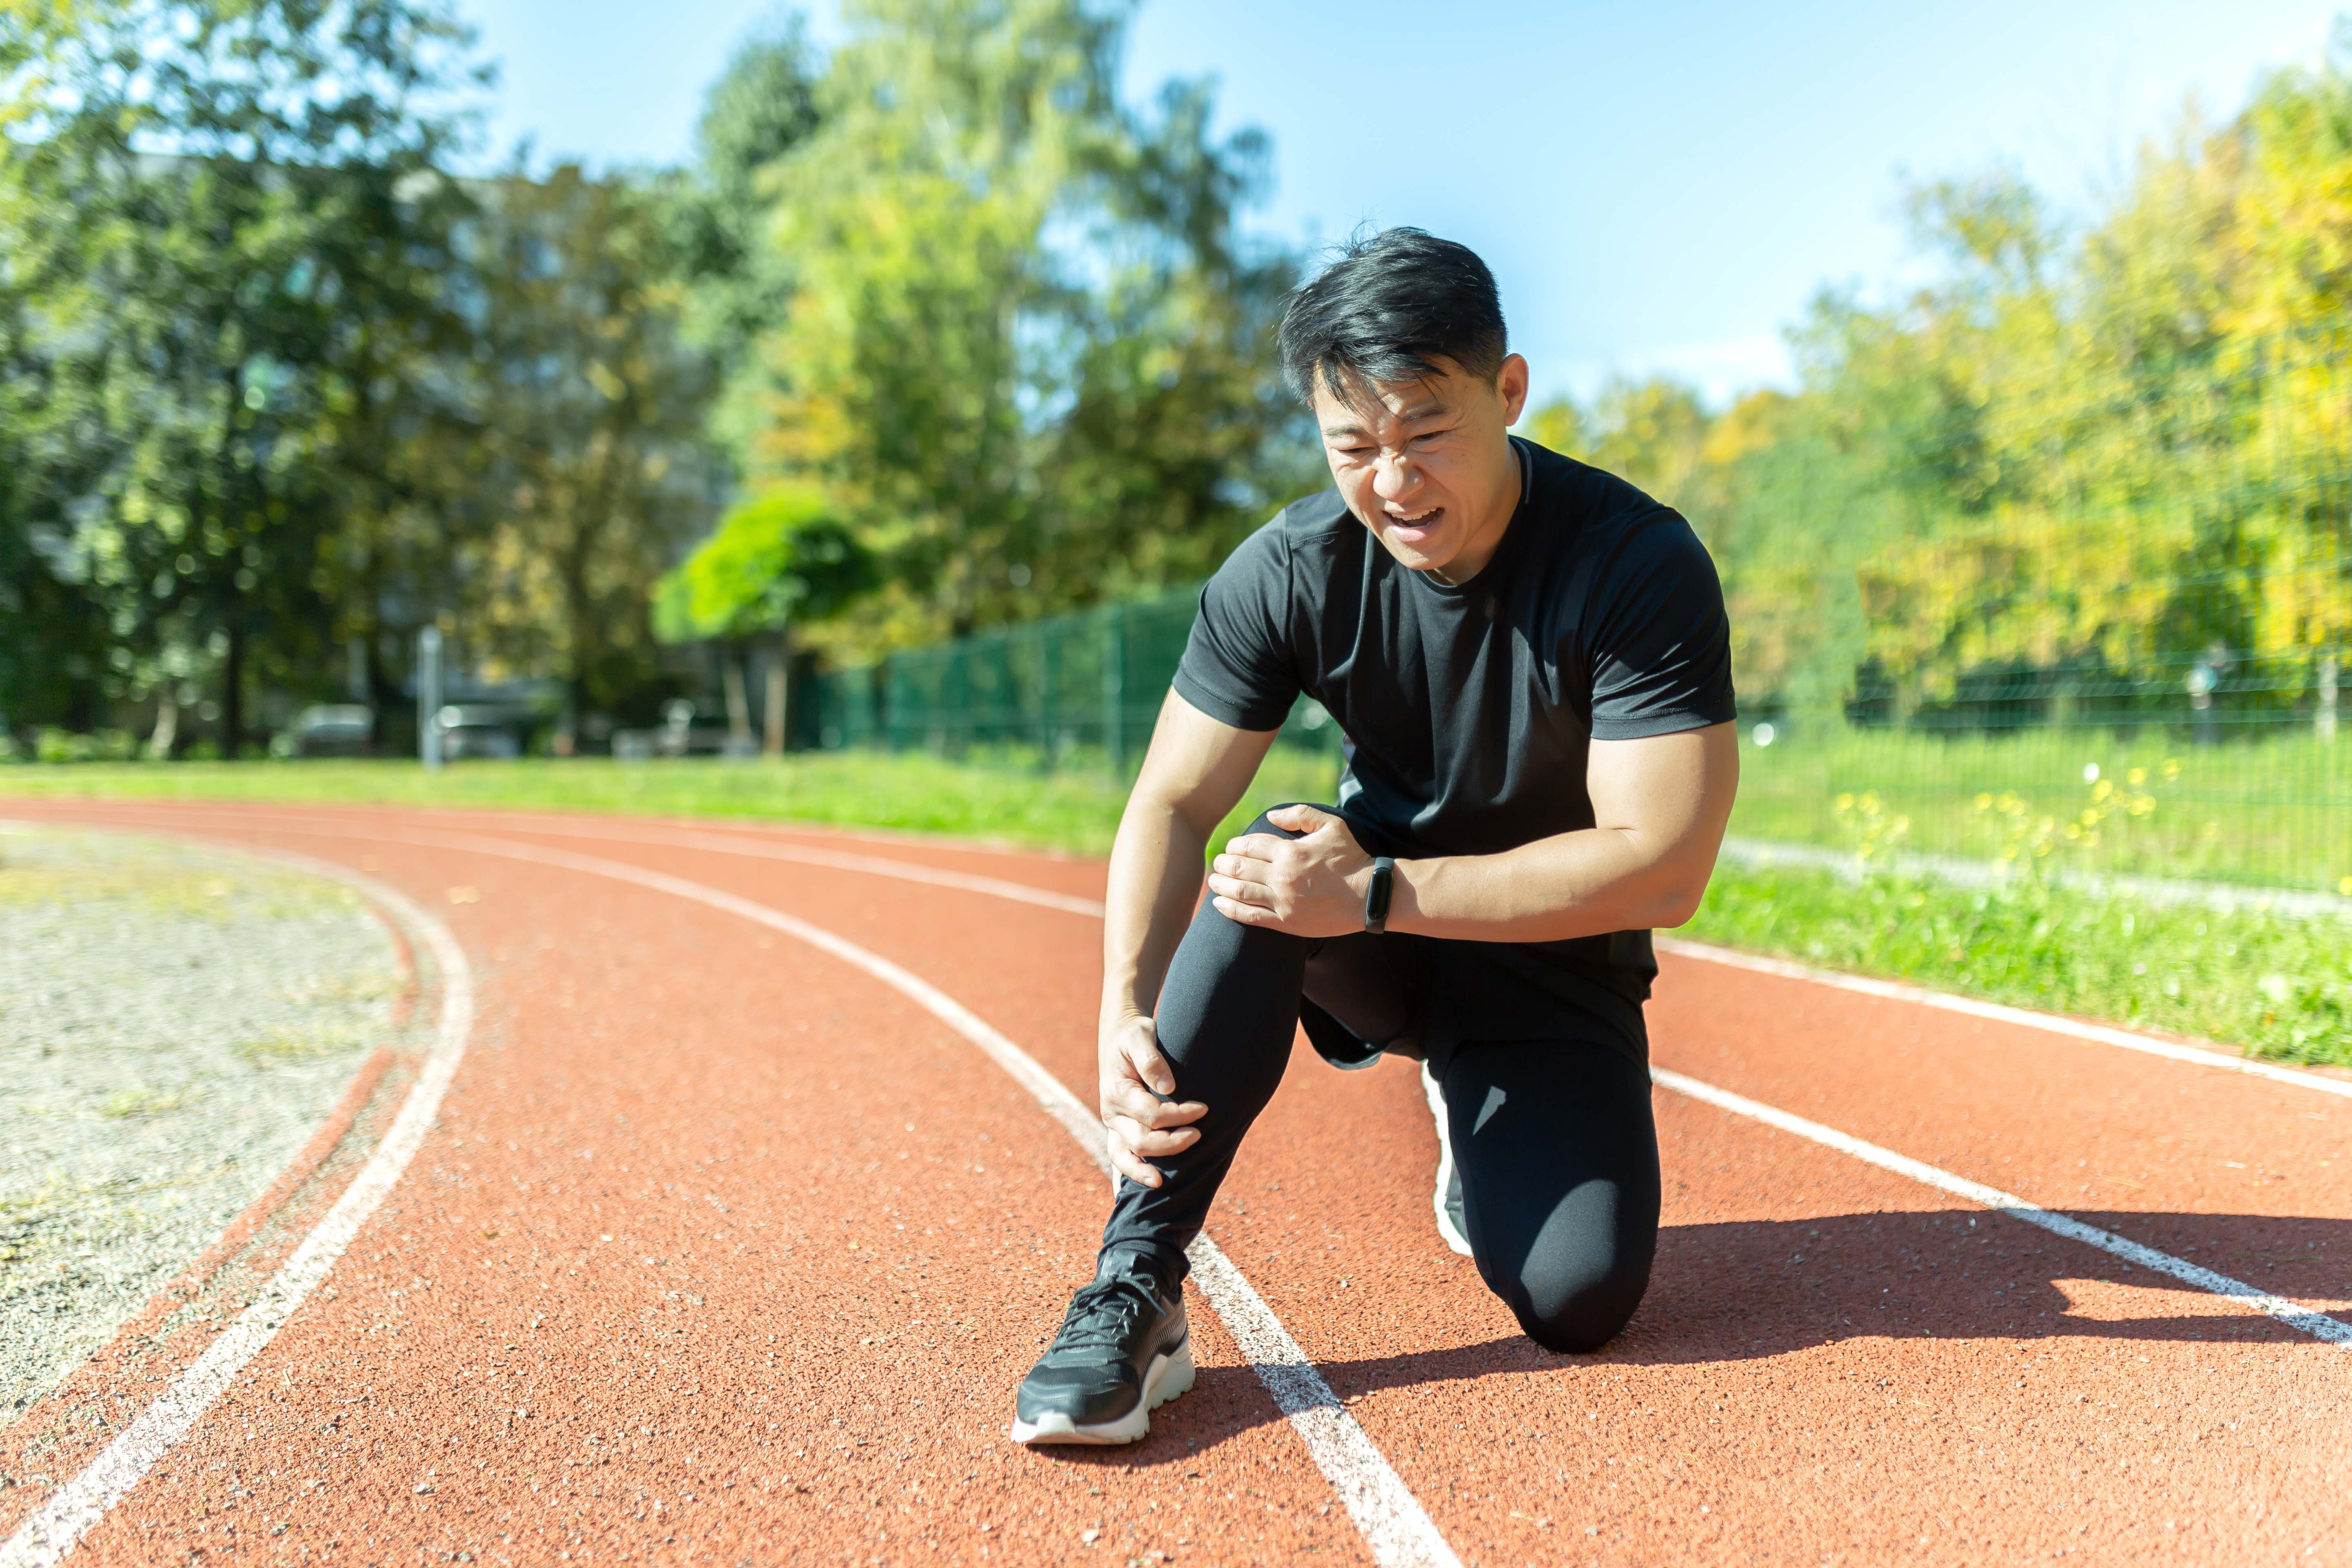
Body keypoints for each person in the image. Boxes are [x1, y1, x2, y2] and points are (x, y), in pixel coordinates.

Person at [1010, 229, 1740, 1446]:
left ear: (1508, 391)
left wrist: (1382, 889)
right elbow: (1174, 802)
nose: (1391, 481)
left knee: (1579, 1300)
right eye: (1353, 445)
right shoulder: (1294, 568)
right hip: (1372, 940)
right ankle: (1136, 1285)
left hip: (1547, 953)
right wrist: (1120, 1009)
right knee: (1262, 858)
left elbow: (1663, 866)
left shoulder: (1635, 563)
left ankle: (1473, 1115)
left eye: (1423, 432)